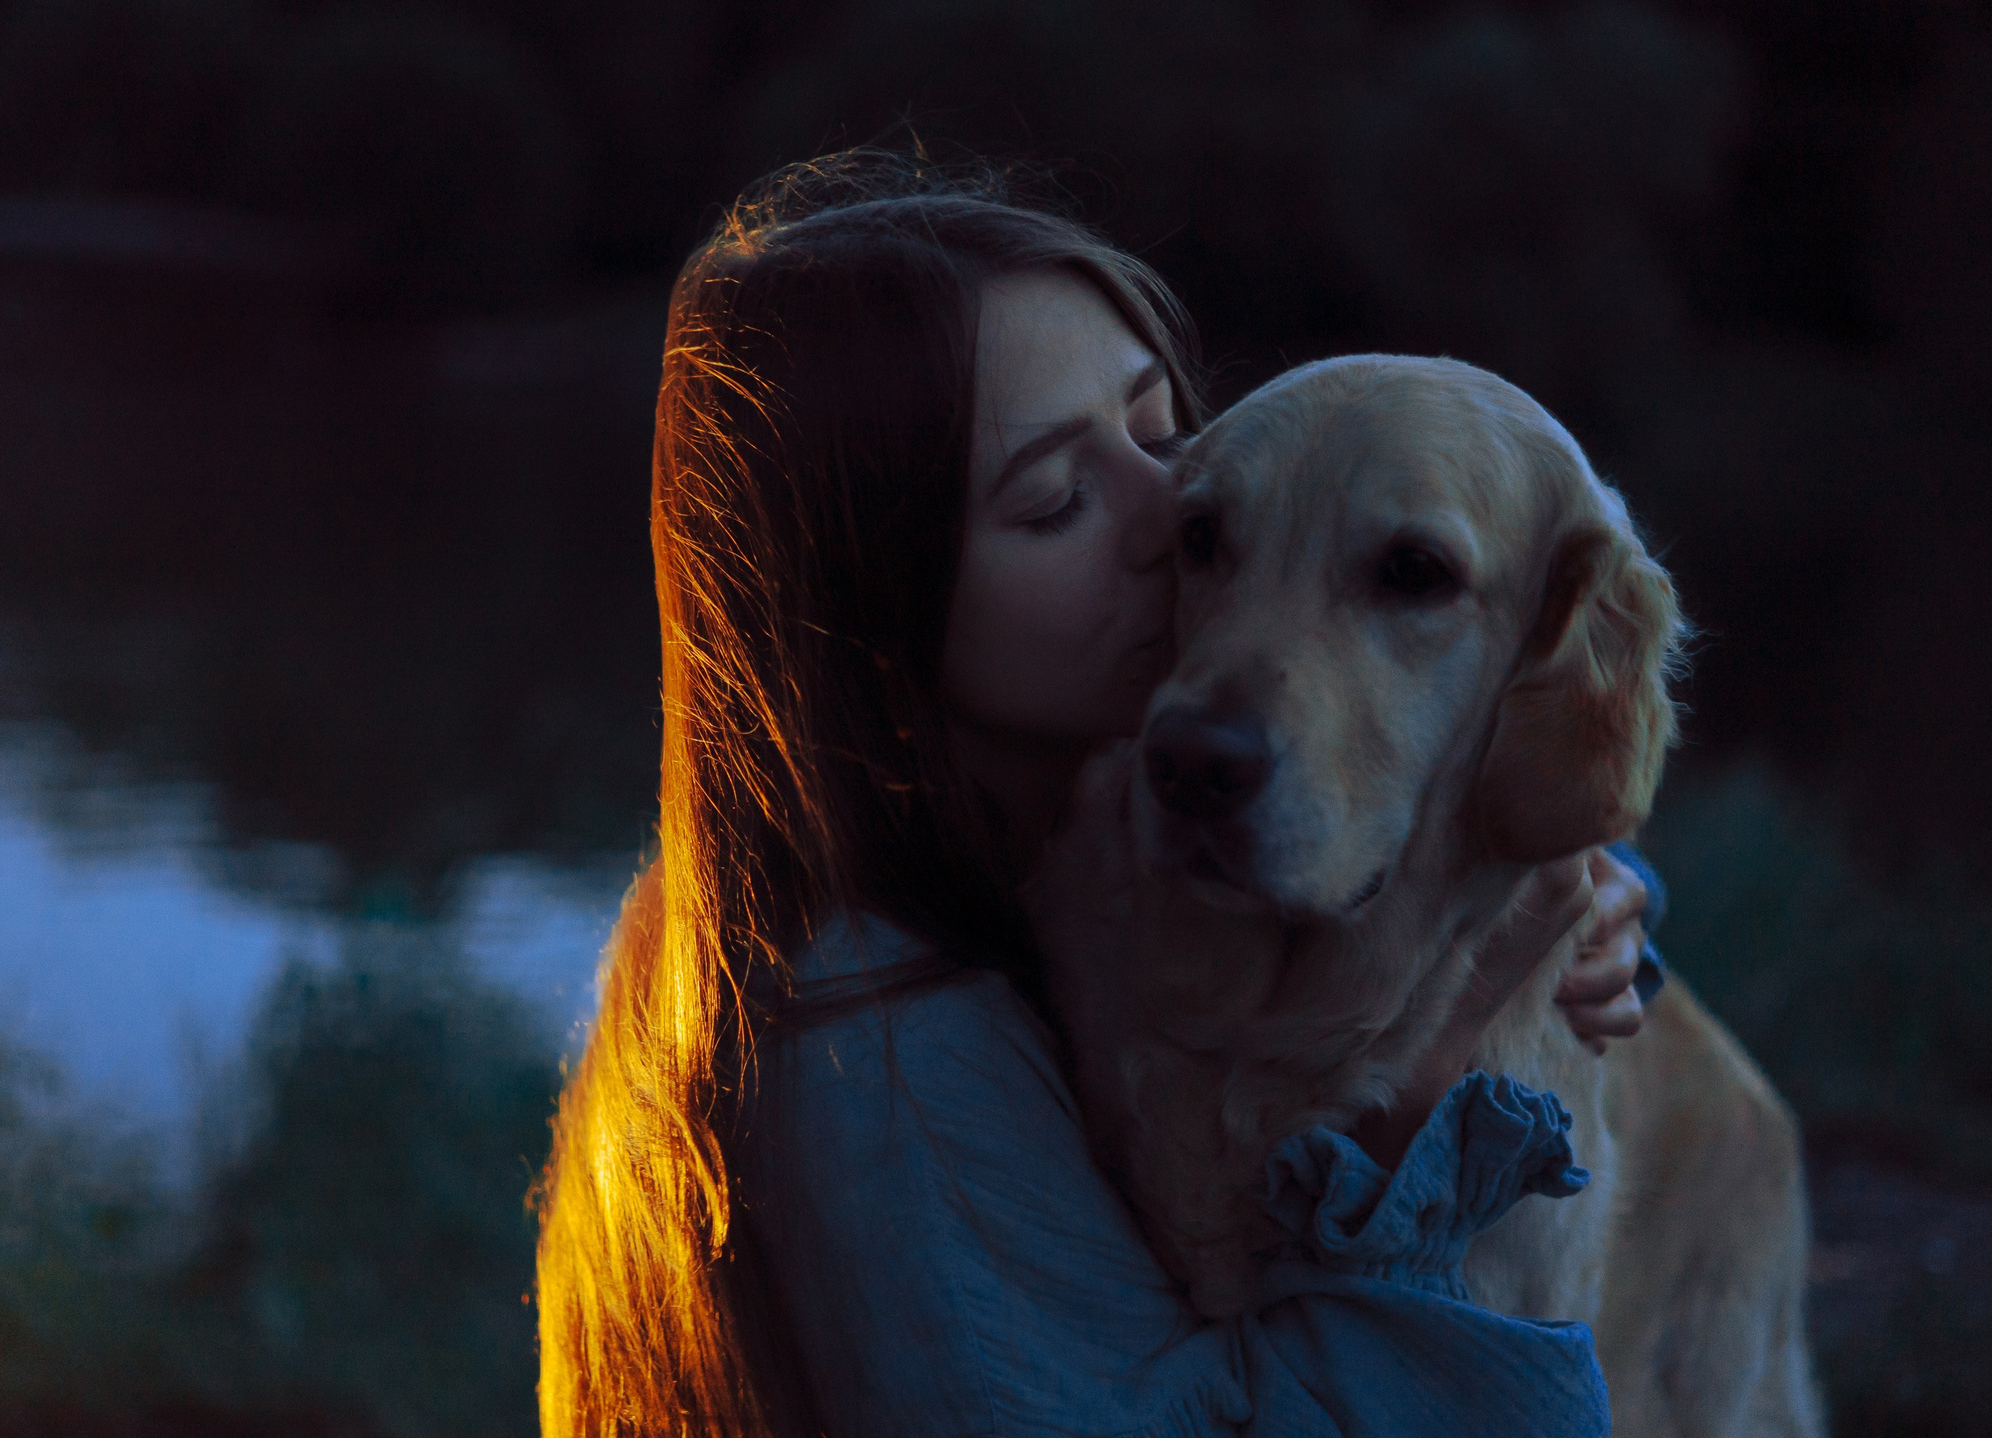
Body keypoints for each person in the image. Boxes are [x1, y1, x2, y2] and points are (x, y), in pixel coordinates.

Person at [534, 153, 1663, 1437]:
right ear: (871, 625)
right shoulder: (880, 1048)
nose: (1171, 508)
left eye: (1163, 433)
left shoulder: (1041, 857)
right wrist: (1416, 1142)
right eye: (1057, 499)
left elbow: (1482, 794)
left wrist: (1594, 911)